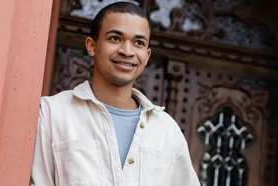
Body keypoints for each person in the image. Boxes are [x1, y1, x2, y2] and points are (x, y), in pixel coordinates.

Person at [30, 2, 200, 185]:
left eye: (139, 43)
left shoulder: (166, 129)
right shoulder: (53, 113)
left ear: (147, 55)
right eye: (115, 39)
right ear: (91, 46)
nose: (127, 51)